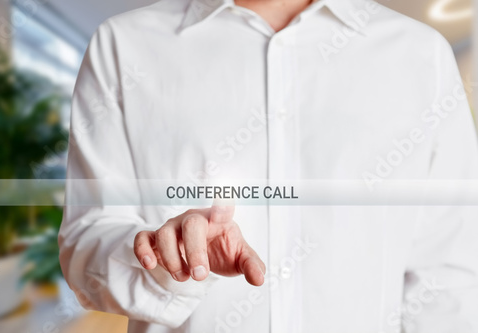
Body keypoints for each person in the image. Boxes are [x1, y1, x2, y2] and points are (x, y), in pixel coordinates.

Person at [58, 0, 478, 332]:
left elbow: (451, 271)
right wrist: (164, 259)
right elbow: (84, 241)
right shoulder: (124, 45)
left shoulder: (420, 55)